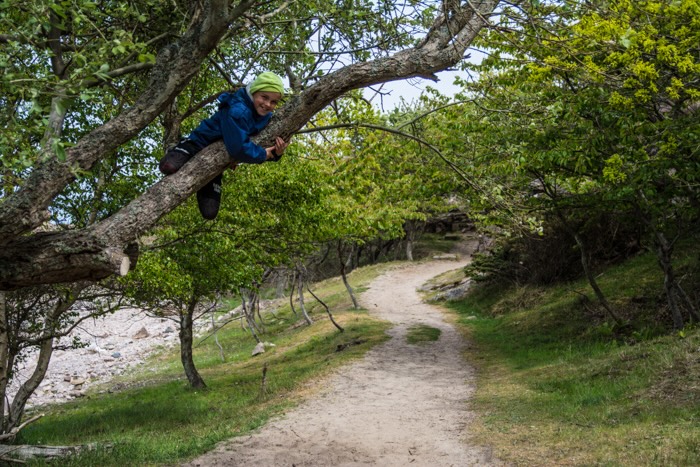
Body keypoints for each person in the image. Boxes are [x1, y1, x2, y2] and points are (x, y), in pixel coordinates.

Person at [159, 71, 289, 219]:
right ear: (253, 92)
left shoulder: (266, 117)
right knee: (168, 166)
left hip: (220, 161)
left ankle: (210, 180)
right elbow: (238, 147)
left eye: (273, 102)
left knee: (210, 212)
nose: (267, 104)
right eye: (264, 97)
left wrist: (276, 154)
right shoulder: (238, 110)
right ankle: (180, 148)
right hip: (198, 143)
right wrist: (263, 154)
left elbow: (261, 143)